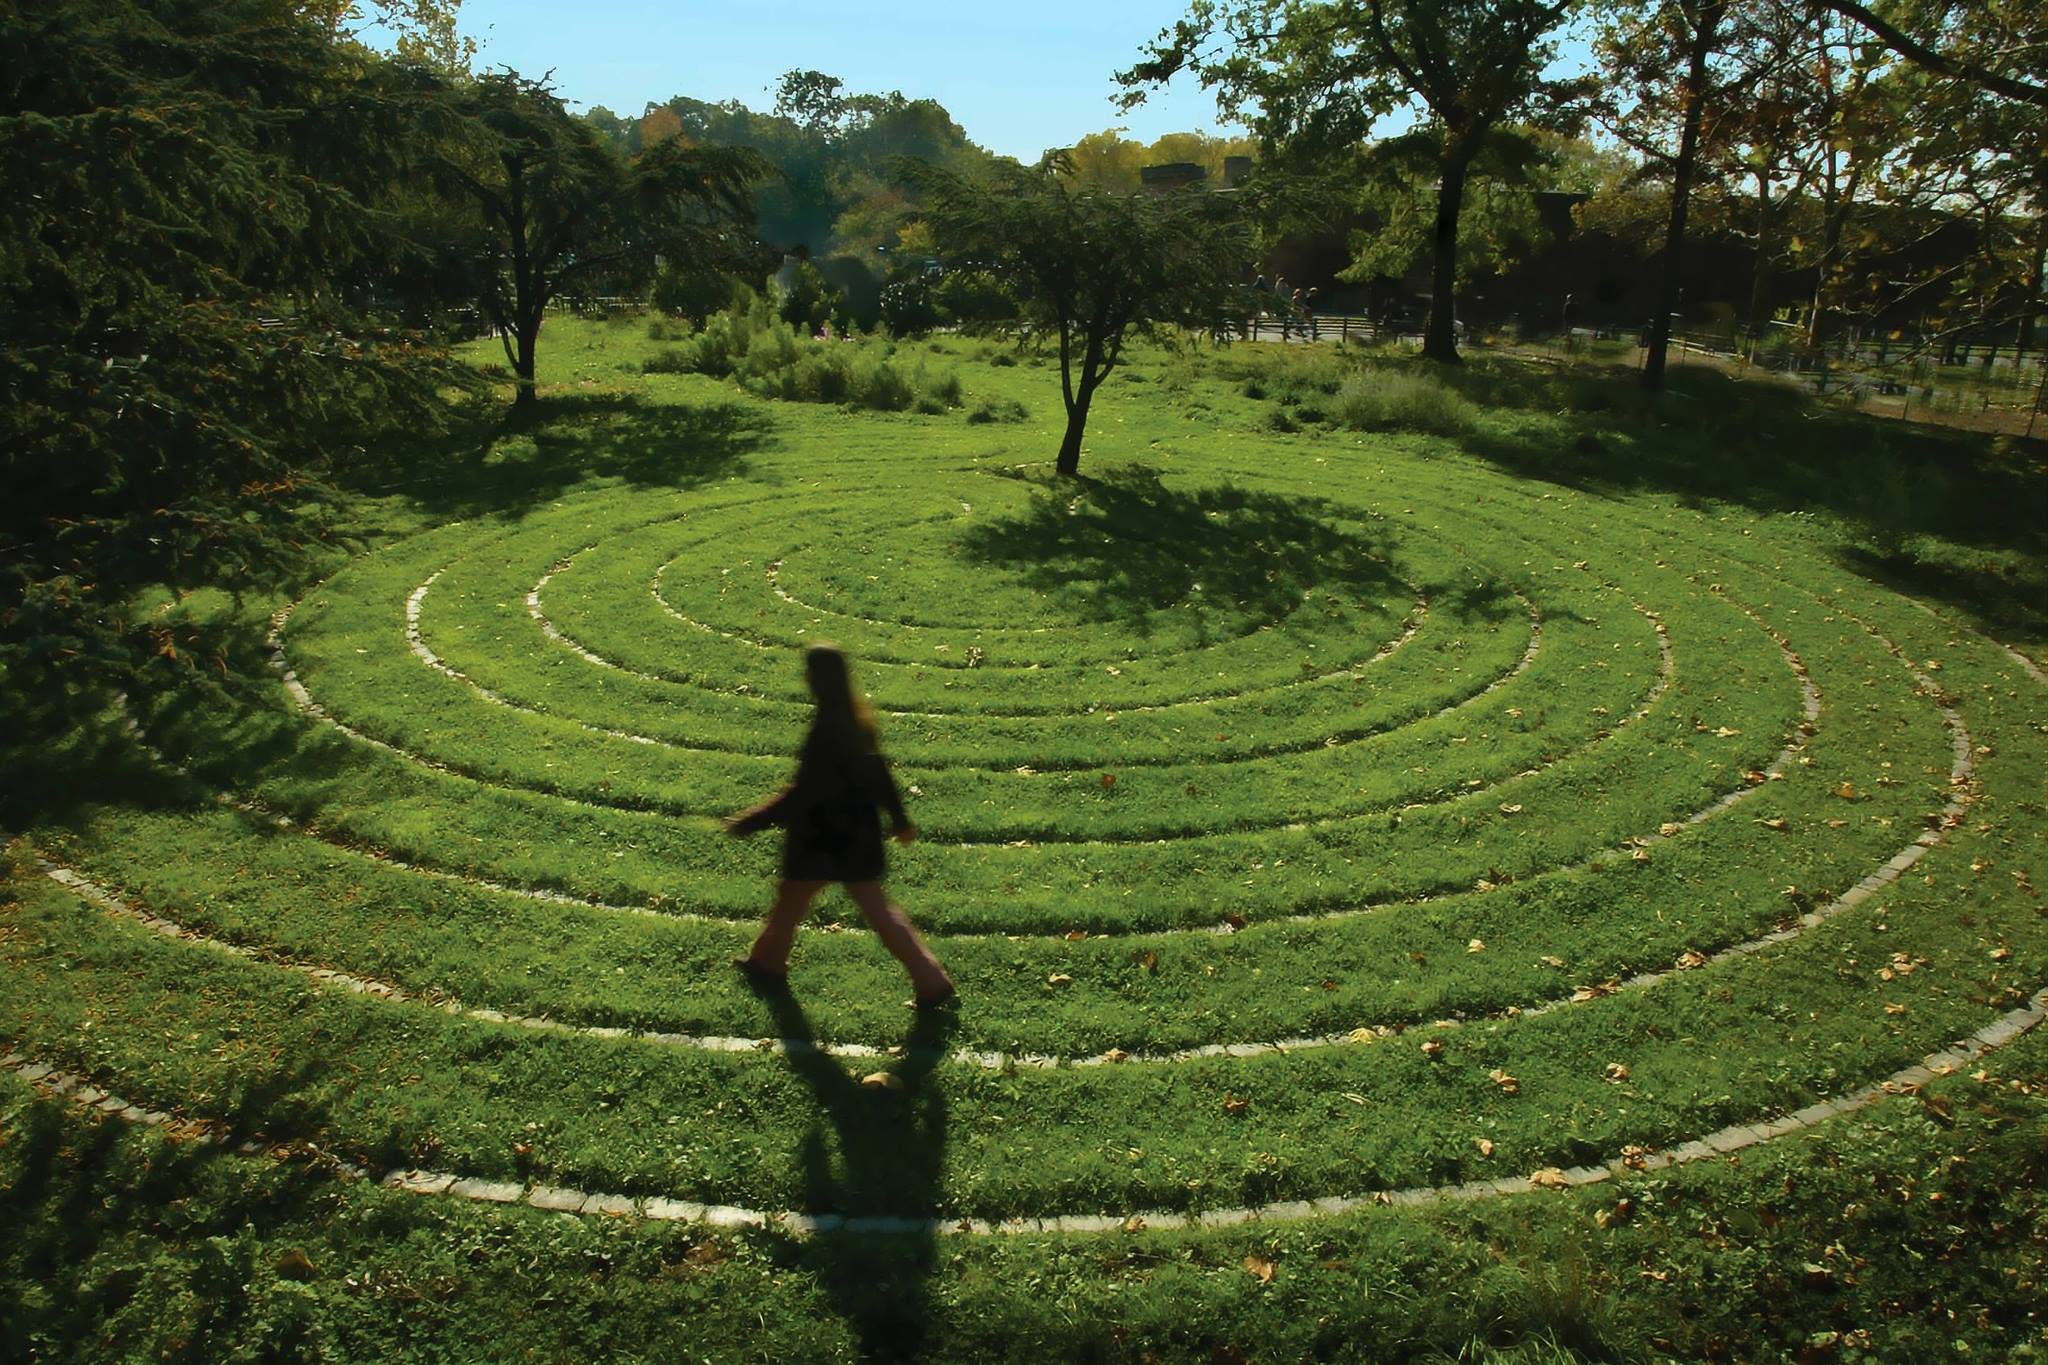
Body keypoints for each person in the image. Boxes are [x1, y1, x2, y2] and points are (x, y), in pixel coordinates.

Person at [727, 644, 955, 1007]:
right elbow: (879, 774)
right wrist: (898, 818)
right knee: (801, 898)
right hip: (857, 835)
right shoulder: (855, 719)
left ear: (816, 679)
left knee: (831, 903)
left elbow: (805, 792)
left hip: (822, 838)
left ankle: (931, 980)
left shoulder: (826, 729)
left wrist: (753, 820)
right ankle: (767, 961)